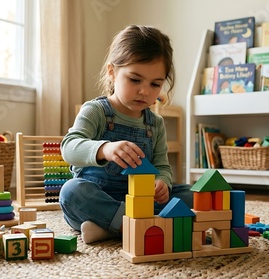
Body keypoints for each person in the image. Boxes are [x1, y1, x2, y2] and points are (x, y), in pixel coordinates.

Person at [59, 25, 194, 244]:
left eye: (155, 84)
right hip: (99, 198)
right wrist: (104, 149)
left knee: (192, 194)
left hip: (141, 201)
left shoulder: (155, 124)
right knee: (72, 192)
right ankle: (143, 225)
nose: (145, 91)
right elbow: (69, 147)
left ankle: (111, 229)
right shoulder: (96, 111)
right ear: (112, 72)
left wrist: (162, 182)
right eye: (135, 80)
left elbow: (162, 165)